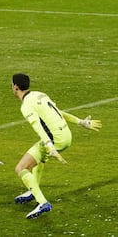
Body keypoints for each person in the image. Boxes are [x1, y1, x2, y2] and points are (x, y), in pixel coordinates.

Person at [11, 73, 102, 219]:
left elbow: (37, 126)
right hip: (67, 135)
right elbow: (58, 112)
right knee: (38, 159)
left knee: (21, 168)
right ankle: (32, 192)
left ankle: (42, 202)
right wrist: (81, 122)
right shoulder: (39, 94)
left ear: (15, 87)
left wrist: (49, 144)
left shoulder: (26, 105)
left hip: (54, 139)